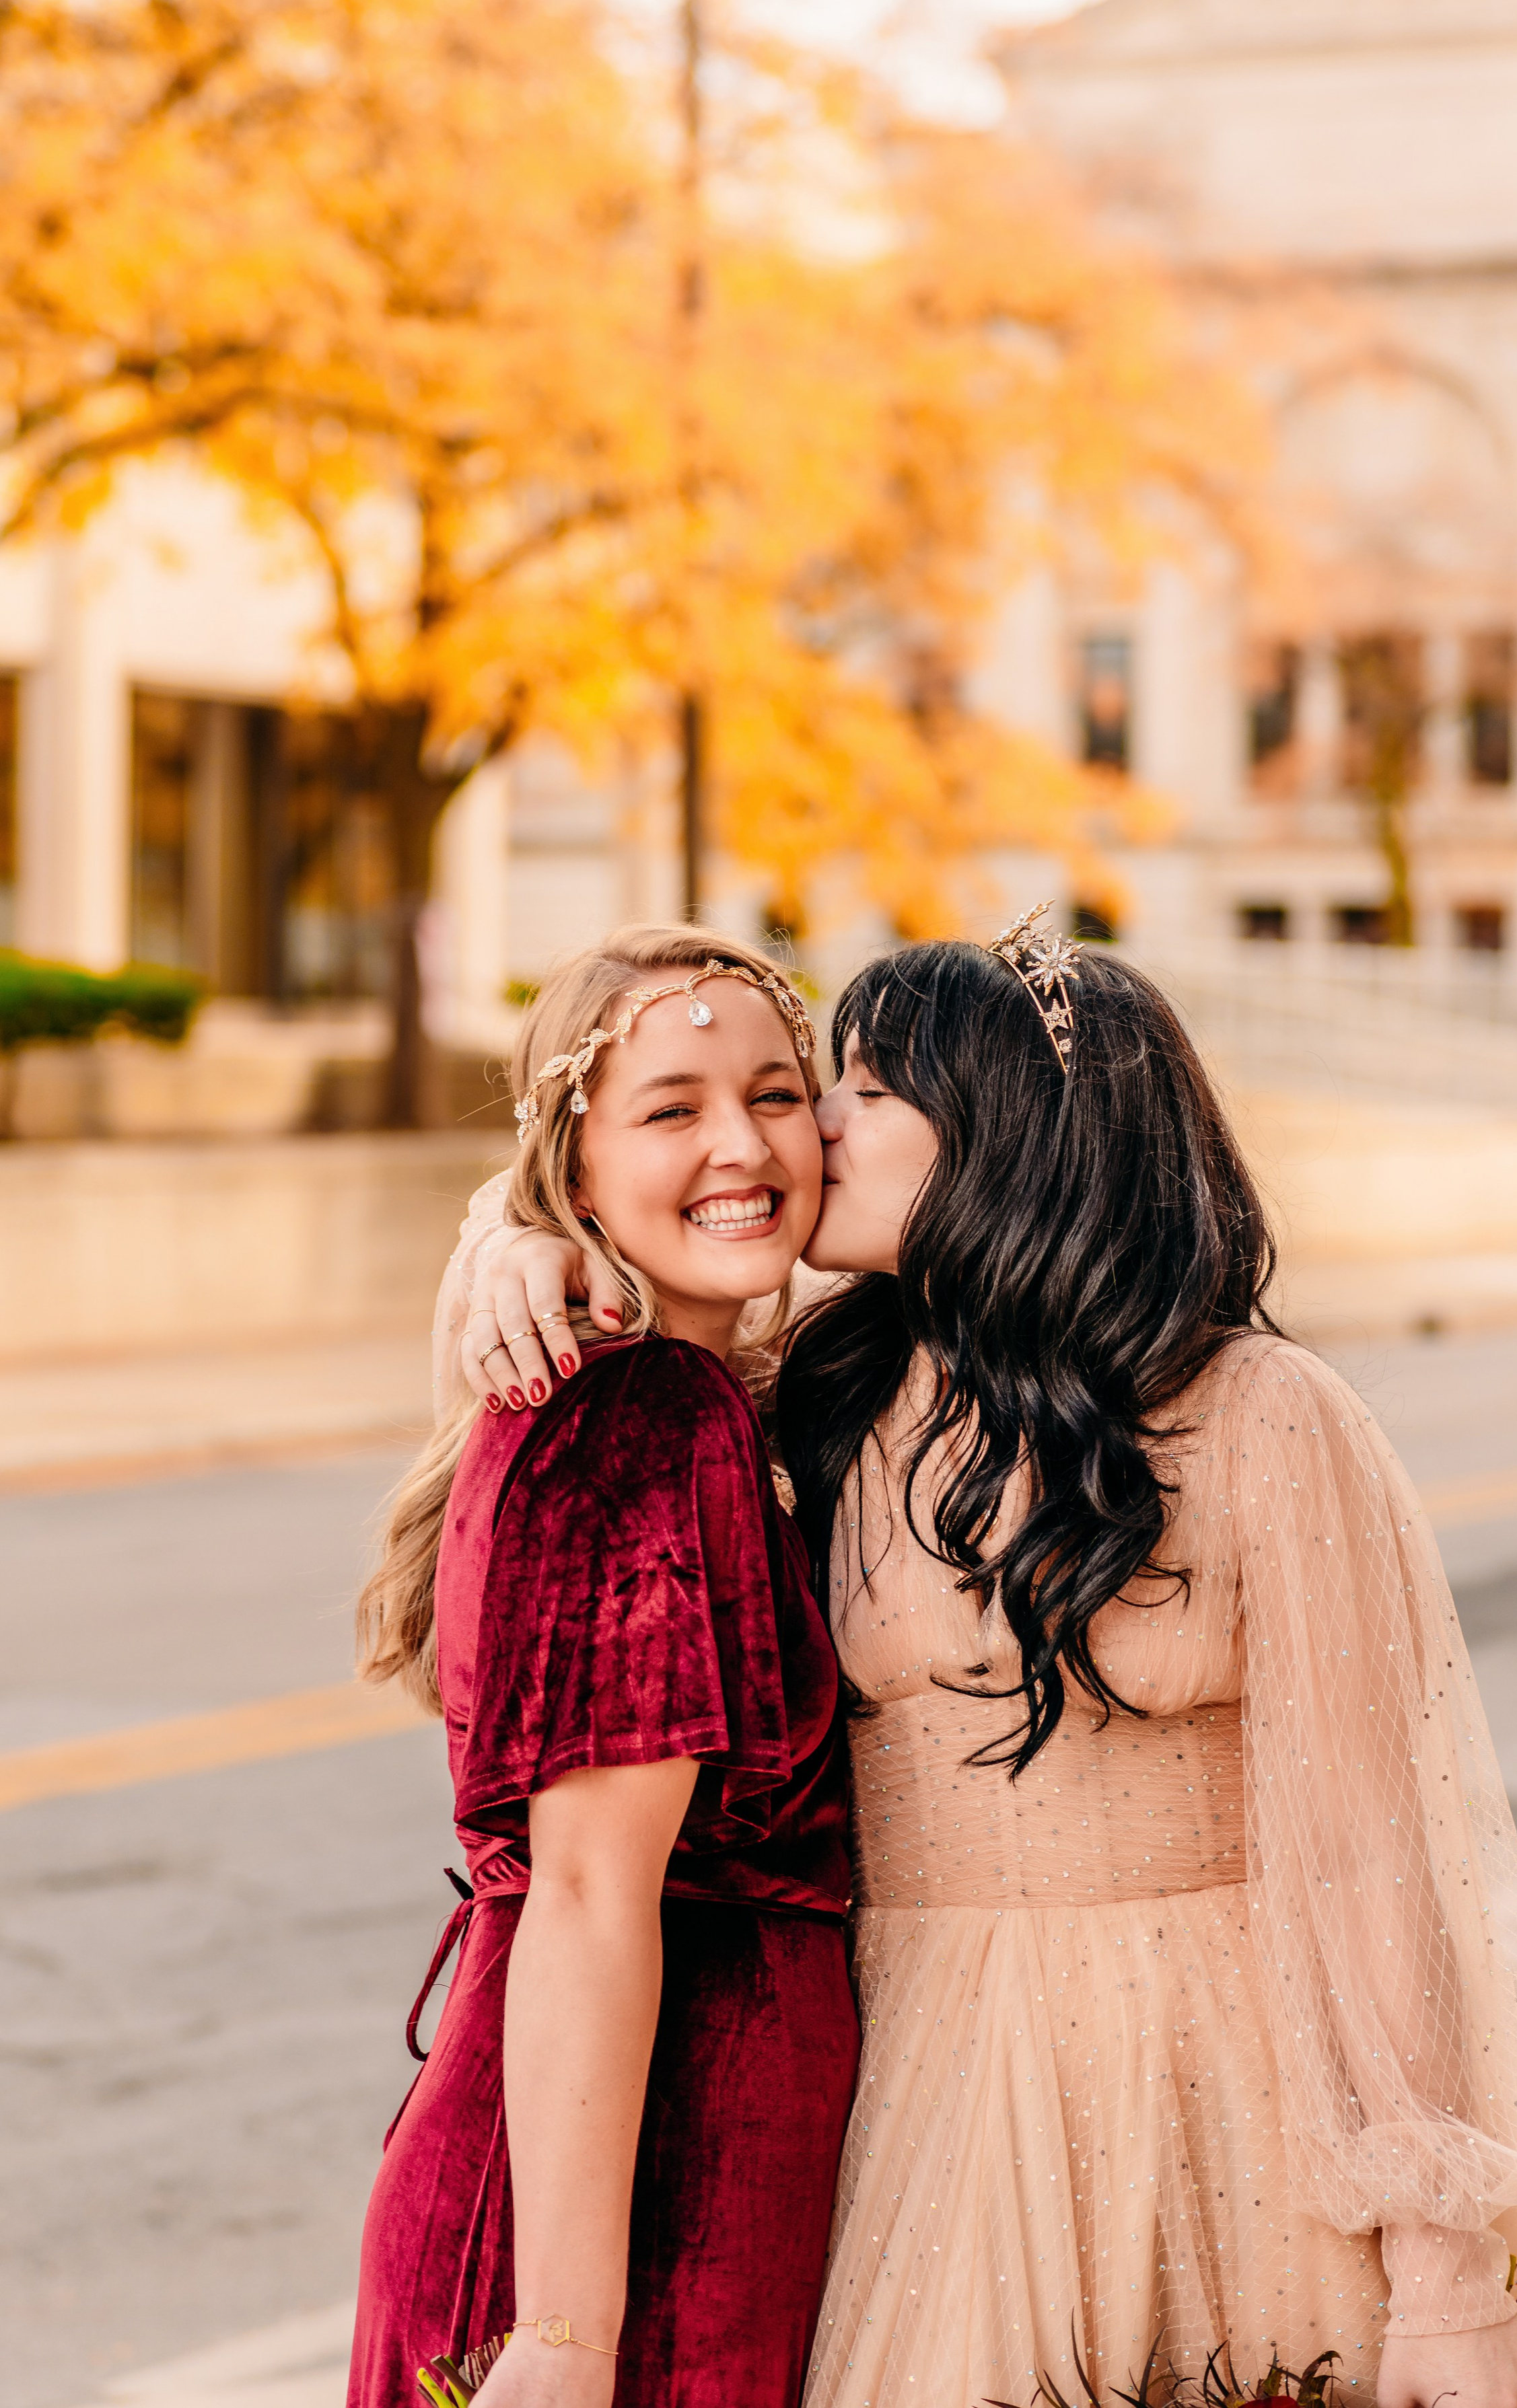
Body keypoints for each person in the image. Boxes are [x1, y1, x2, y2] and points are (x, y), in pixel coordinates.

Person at [452, 911, 1517, 2408]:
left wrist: (1437, 2262)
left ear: (1003, 1136)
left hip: (1217, 2086)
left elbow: (1369, 1855)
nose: (812, 1127)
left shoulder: (1258, 1412)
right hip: (911, 2083)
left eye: (859, 1086)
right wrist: (509, 1236)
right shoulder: (816, 1399)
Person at [349, 925, 857, 2408]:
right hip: (633, 2226)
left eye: (775, 1095)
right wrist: (565, 2339)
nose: (739, 1145)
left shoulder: (691, 1391)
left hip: (654, 2191)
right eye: (670, 1107)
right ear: (575, 1172)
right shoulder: (640, 1413)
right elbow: (583, 1888)